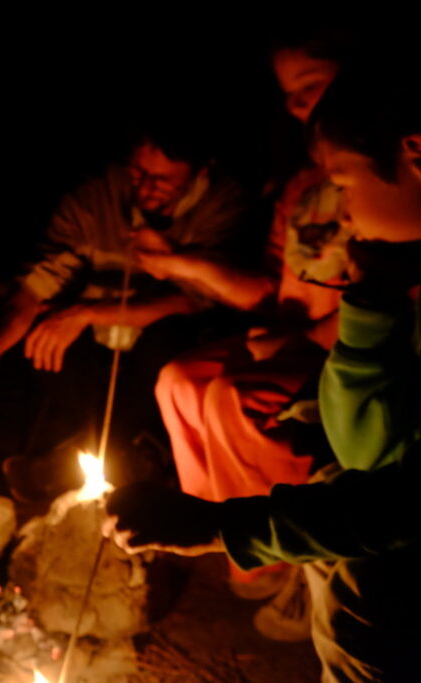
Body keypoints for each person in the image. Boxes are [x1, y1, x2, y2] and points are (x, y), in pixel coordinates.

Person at [105, 52, 421, 681]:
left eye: (344, 185)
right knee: (330, 496)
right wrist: (370, 308)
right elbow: (369, 452)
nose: (343, 213)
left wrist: (219, 525)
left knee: (366, 585)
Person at [0, 128, 257, 499]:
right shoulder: (95, 197)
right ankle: (119, 456)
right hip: (96, 340)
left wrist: (89, 311)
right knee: (44, 334)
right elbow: (38, 282)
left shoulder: (223, 203)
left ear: (199, 171)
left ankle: (98, 460)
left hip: (165, 339)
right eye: (138, 172)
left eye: (162, 180)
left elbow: (197, 300)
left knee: (169, 340)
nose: (145, 187)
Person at [149, 33, 351, 612]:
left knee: (231, 399)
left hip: (338, 345)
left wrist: (298, 338)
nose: (296, 104)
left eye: (310, 86)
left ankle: (279, 551)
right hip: (293, 336)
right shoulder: (303, 186)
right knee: (178, 381)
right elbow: (269, 286)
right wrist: (178, 263)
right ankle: (210, 526)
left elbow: (391, 300)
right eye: (287, 94)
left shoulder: (371, 178)